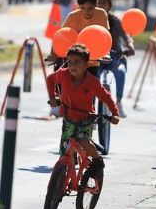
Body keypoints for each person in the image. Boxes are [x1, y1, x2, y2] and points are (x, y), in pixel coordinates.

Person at [46, 44, 120, 181]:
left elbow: (106, 96)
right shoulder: (63, 74)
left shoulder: (92, 82)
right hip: (68, 116)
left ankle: (97, 161)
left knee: (84, 142)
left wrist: (115, 112)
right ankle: (59, 184)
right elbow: (50, 79)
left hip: (85, 118)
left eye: (77, 63)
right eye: (70, 62)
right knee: (64, 149)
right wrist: (52, 98)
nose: (72, 66)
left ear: (87, 65)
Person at [96, 0, 135, 118]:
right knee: (91, 77)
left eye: (104, 3)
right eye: (98, 2)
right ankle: (90, 108)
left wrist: (130, 45)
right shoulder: (91, 20)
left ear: (109, 5)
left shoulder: (115, 21)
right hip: (96, 58)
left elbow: (126, 36)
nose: (100, 5)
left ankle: (118, 102)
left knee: (120, 72)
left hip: (114, 56)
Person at [58, 0, 110, 76]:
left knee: (93, 86)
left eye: (90, 8)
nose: (87, 11)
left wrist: (106, 53)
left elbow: (105, 36)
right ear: (78, 7)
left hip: (93, 61)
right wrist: (53, 53)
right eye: (83, 8)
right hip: (74, 61)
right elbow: (60, 36)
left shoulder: (102, 14)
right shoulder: (72, 16)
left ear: (96, 6)